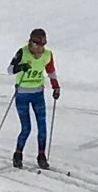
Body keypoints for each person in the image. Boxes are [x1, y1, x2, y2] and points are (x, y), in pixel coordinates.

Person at [6, 28, 61, 169]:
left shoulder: (47, 55)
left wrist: (56, 87)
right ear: (31, 42)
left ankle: (41, 156)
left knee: (42, 126)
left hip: (38, 93)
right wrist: (21, 67)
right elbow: (10, 70)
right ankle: (18, 155)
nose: (39, 48)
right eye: (37, 44)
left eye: (43, 45)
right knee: (26, 128)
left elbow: (51, 71)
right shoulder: (22, 52)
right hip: (22, 94)